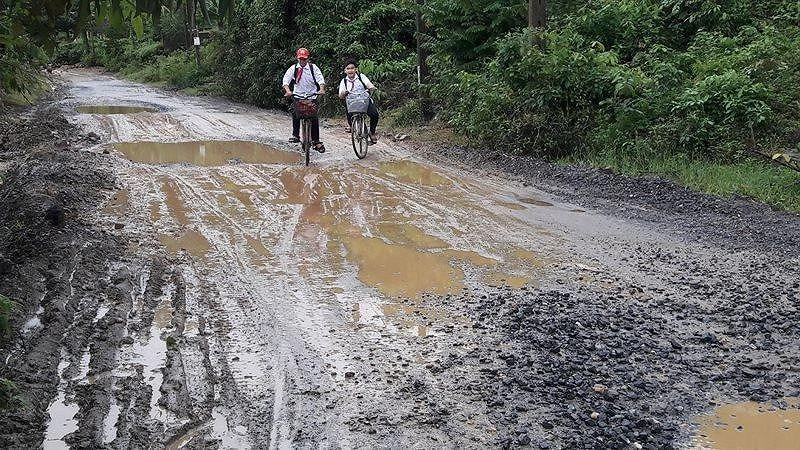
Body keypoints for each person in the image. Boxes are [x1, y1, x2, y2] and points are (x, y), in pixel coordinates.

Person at [282, 47, 326, 153]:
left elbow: (320, 79)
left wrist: (321, 89)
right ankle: (295, 135)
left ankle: (316, 141)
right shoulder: (293, 68)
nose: (302, 61)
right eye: (300, 59)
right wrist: (288, 91)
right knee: (295, 112)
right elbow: (286, 80)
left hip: (312, 95)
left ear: (307, 58)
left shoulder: (313, 68)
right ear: (297, 58)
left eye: (304, 59)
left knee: (314, 117)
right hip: (298, 95)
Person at [337, 59, 379, 144]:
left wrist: (371, 87)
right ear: (345, 71)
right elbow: (340, 95)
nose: (350, 70)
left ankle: (372, 132)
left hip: (364, 101)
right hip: (352, 102)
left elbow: (368, 84)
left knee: (375, 114)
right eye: (348, 68)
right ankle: (353, 127)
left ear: (356, 69)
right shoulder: (344, 81)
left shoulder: (361, 77)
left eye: (352, 68)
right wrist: (344, 93)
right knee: (350, 117)